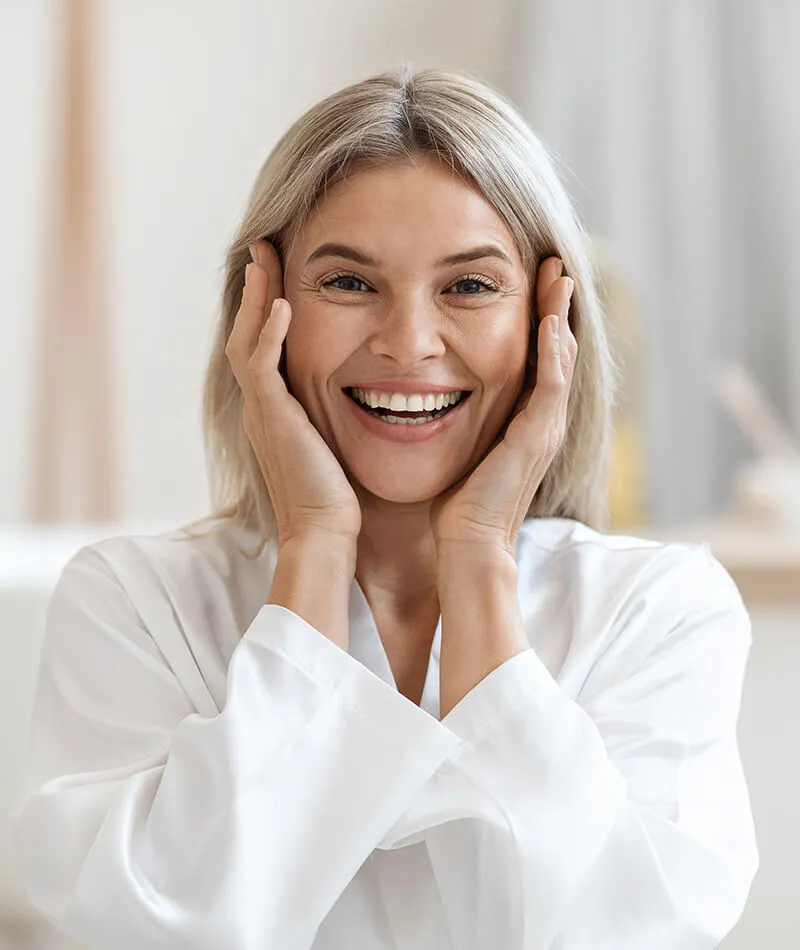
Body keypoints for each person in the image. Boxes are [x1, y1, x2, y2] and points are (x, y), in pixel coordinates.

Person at [11, 67, 758, 949]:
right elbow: (139, 935)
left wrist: (479, 557)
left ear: (552, 324)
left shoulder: (658, 613)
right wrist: (315, 549)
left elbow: (622, 935)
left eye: (470, 287)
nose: (408, 344)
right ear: (262, 313)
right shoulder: (138, 603)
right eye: (349, 283)